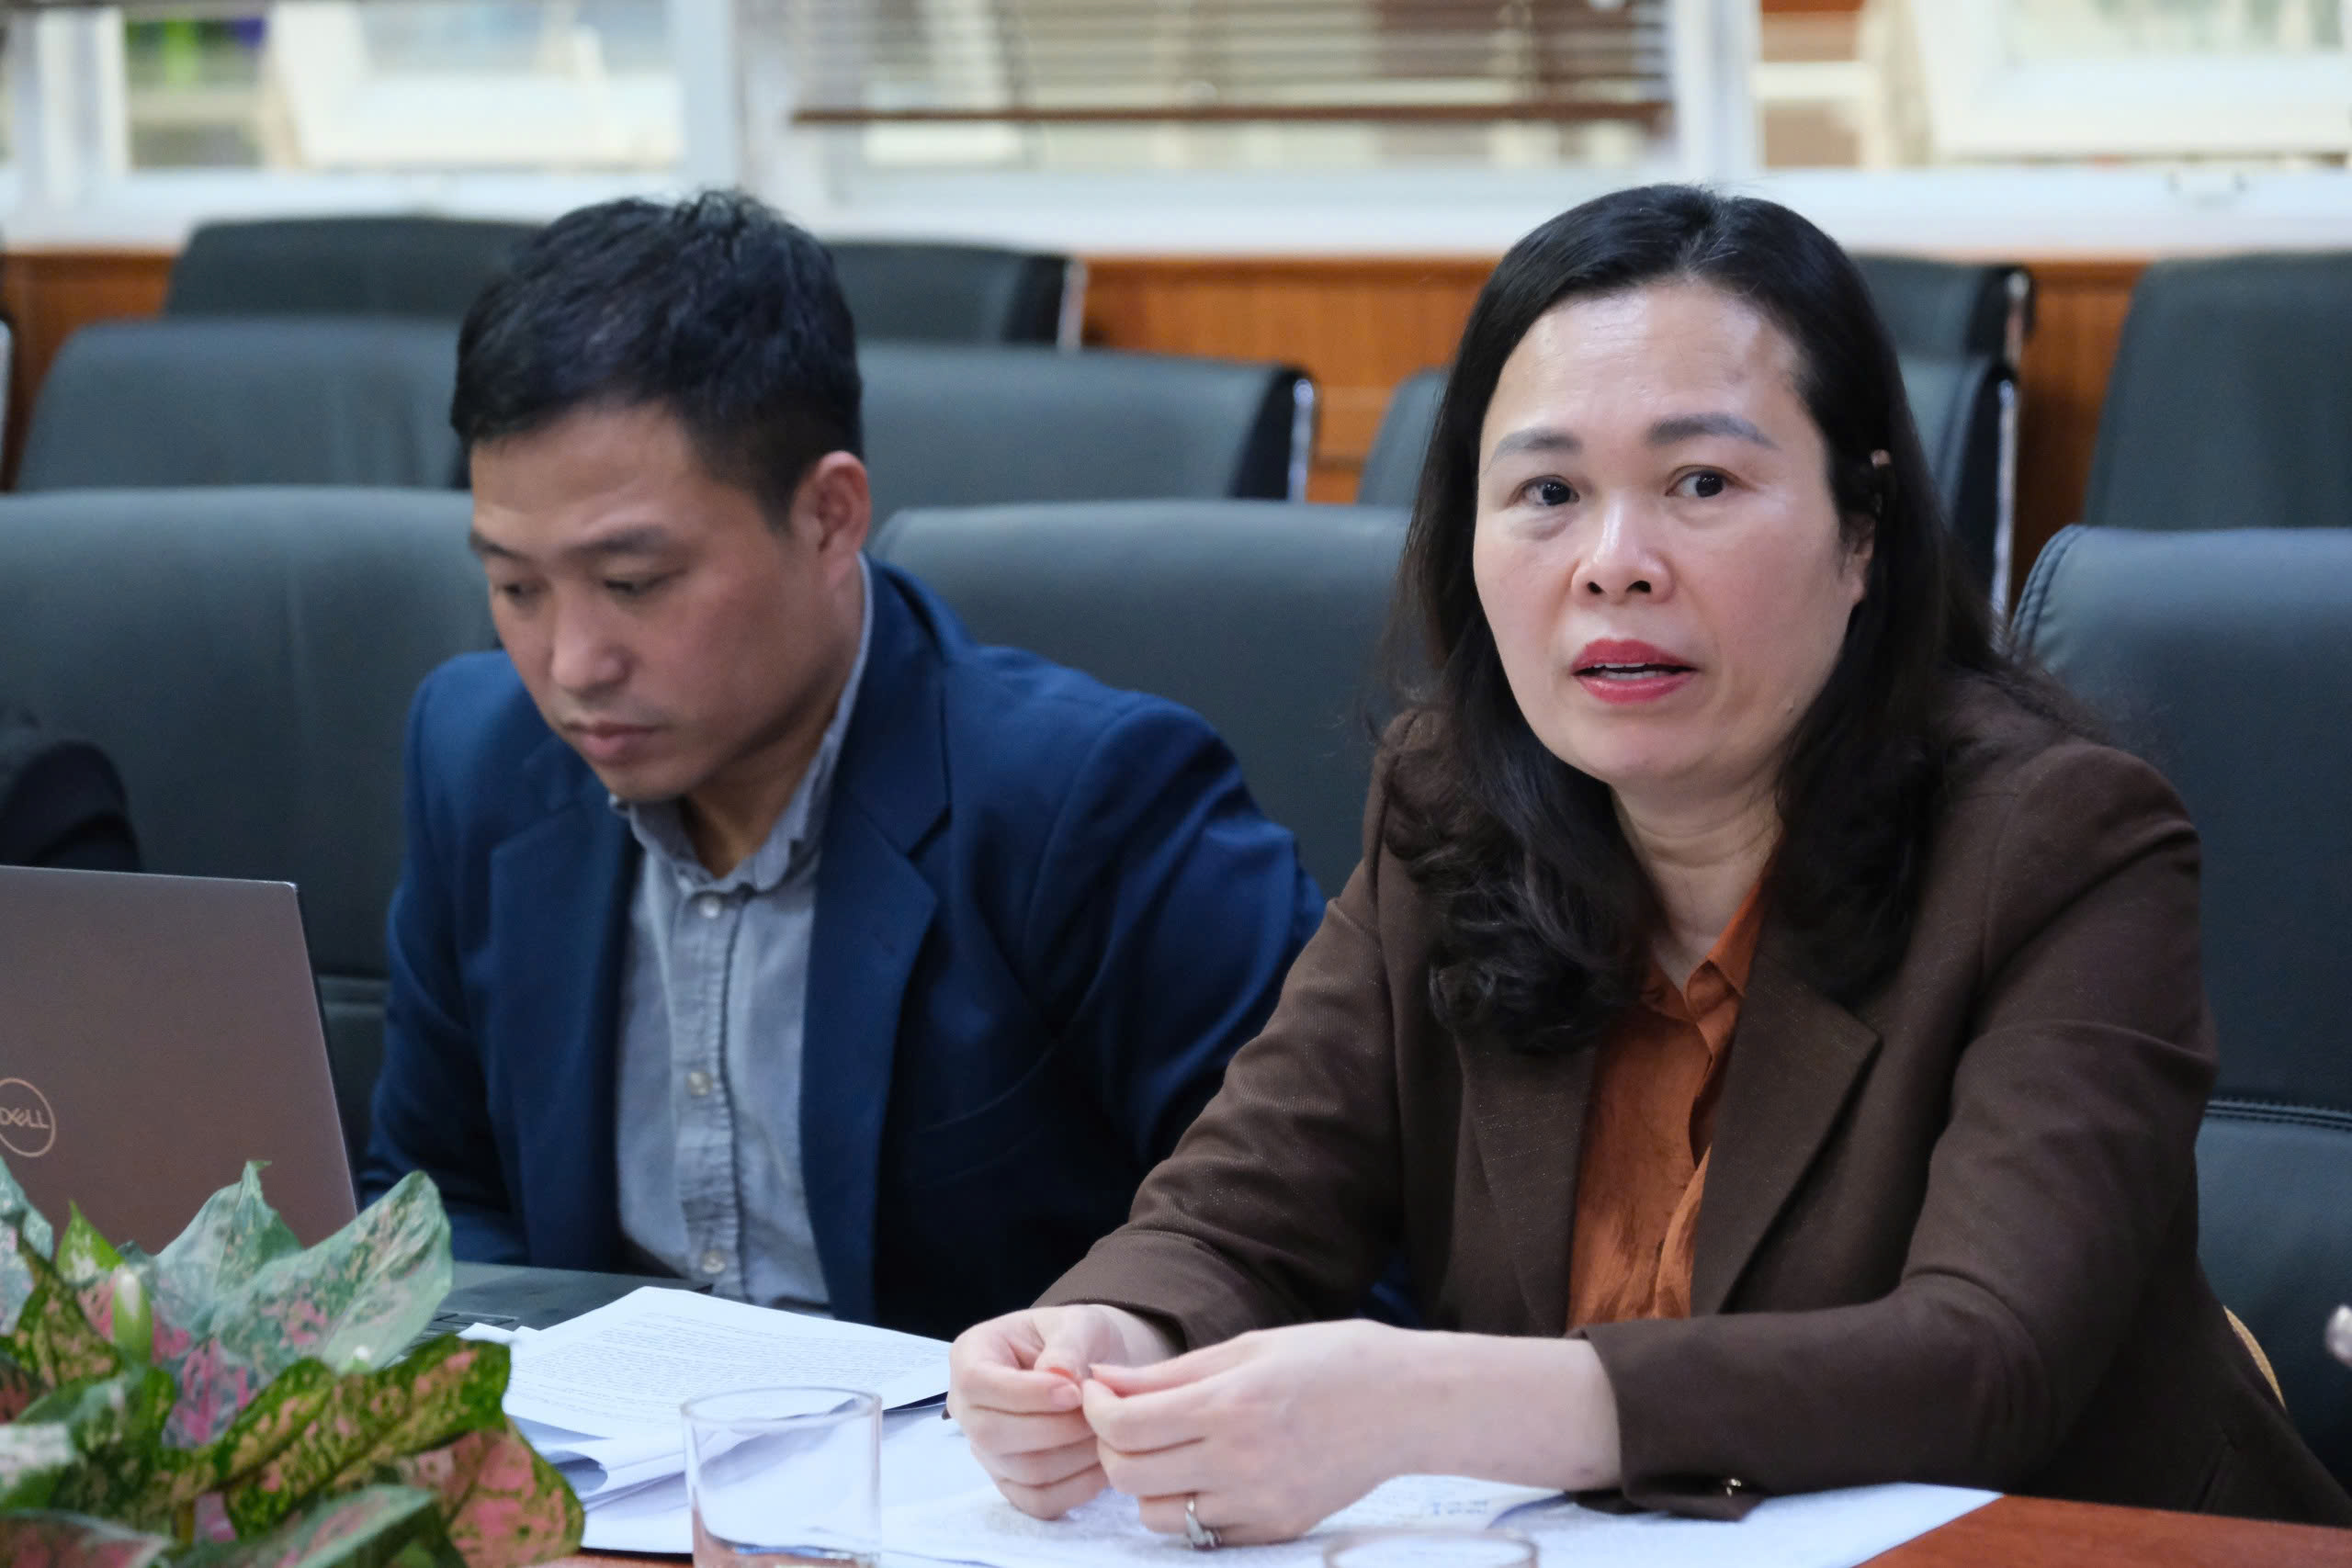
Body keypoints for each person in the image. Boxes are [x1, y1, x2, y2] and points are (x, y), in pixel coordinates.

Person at [945, 185, 2352, 1540]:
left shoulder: (2062, 842)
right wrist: (1106, 1334)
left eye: (1701, 482)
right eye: (1548, 489)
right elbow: (1237, 1217)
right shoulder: (1454, 812)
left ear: (1862, 529)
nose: (1615, 561)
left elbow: (1984, 1359)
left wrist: (1434, 1399)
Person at [358, 192, 1326, 1342]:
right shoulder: (479, 756)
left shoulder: (1090, 803)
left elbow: (1307, 1255)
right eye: (516, 586)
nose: (571, 665)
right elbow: (433, 1208)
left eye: (632, 584)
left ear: (828, 517)